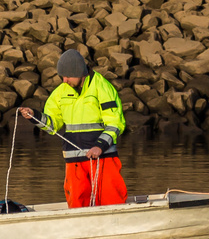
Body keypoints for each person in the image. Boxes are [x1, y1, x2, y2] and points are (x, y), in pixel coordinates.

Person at [18, 49, 128, 208]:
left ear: (80, 72)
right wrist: (34, 116)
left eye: (68, 76)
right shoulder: (60, 92)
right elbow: (52, 125)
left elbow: (115, 122)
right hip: (74, 161)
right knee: (77, 203)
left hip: (102, 158)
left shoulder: (102, 87)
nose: (64, 80)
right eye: (62, 76)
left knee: (112, 200)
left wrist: (100, 146)